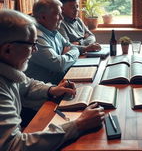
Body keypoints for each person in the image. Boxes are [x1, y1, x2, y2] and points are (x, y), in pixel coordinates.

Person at [0, 9, 104, 151]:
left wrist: (51, 89)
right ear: (7, 50)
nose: (35, 50)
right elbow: (13, 146)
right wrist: (77, 125)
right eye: (31, 45)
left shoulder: (7, 70)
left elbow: (26, 84)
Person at [26, 0, 80, 84]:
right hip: (46, 92)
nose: (62, 18)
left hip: (60, 83)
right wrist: (71, 52)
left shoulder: (52, 30)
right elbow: (59, 65)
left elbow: (72, 47)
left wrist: (68, 53)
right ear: (43, 17)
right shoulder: (36, 37)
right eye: (58, 14)